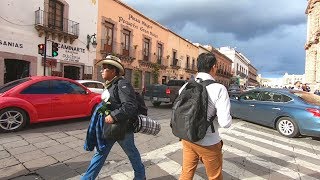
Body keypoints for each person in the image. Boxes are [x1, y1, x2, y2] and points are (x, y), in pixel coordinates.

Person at [81, 55, 145, 180]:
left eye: (104, 68)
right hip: (110, 127)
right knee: (100, 152)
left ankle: (140, 176)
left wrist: (114, 116)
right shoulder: (110, 84)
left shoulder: (122, 84)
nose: (101, 70)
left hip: (123, 129)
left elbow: (130, 105)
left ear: (113, 71)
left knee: (131, 153)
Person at [178, 53, 232, 180]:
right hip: (209, 142)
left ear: (198, 67)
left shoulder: (185, 86)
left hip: (188, 138)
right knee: (215, 177)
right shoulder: (219, 88)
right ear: (214, 67)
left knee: (186, 173)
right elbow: (225, 123)